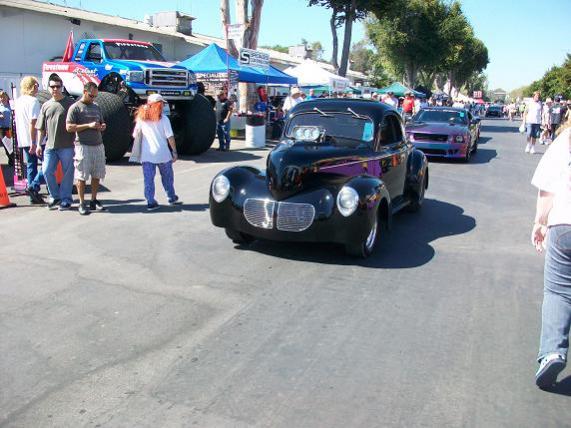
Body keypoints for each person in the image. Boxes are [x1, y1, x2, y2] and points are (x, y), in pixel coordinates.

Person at [530, 126, 571, 389]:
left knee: (558, 292)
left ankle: (552, 352)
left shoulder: (566, 140)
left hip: (565, 223)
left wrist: (540, 222)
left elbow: (547, 189)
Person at [133, 94, 180, 211]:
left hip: (147, 155)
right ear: (158, 105)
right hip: (163, 154)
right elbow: (170, 137)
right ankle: (171, 197)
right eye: (162, 103)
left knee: (148, 179)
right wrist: (174, 152)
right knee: (167, 177)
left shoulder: (141, 117)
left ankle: (150, 202)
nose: (163, 105)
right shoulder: (164, 119)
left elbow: (135, 135)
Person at [66, 82, 107, 215]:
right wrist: (88, 126)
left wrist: (102, 126)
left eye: (95, 96)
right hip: (83, 145)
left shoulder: (96, 106)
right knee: (81, 175)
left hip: (98, 144)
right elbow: (69, 127)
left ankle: (94, 200)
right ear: (84, 92)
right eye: (91, 96)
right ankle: (81, 202)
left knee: (97, 174)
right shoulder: (75, 108)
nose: (93, 98)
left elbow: (101, 122)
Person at [35, 75, 76, 210]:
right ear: (48, 88)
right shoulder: (46, 105)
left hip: (67, 146)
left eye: (58, 86)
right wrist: (38, 144)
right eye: (52, 86)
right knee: (46, 171)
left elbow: (77, 123)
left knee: (68, 173)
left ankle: (66, 199)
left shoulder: (70, 104)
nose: (55, 89)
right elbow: (41, 128)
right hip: (50, 146)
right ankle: (55, 197)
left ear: (62, 87)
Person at [15, 76, 45, 204]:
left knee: (31, 165)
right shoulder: (33, 101)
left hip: (23, 139)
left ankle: (33, 195)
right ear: (33, 86)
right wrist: (34, 142)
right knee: (49, 165)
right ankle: (33, 186)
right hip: (35, 140)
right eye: (36, 85)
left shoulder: (18, 101)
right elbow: (33, 122)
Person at [0, 90, 13, 166]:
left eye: (3, 97)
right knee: (5, 145)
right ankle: (11, 158)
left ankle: (12, 160)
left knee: (10, 145)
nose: (2, 99)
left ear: (7, 97)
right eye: (1, 97)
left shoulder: (11, 105)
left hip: (10, 128)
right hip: (1, 128)